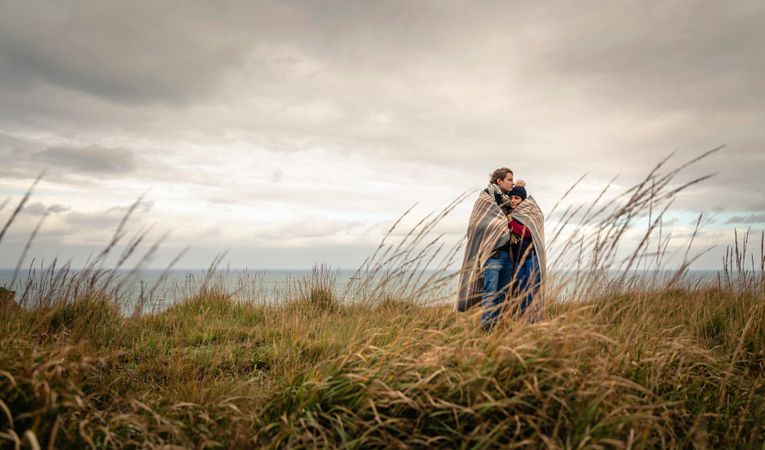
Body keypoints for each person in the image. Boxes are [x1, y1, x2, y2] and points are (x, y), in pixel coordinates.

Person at [455, 167, 515, 331]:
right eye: (509, 179)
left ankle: (499, 327)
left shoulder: (509, 201)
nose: (513, 182)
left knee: (503, 293)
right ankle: (486, 329)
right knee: (490, 293)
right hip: (492, 256)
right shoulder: (485, 199)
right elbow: (475, 225)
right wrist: (503, 224)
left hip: (506, 255)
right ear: (499, 181)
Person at [506, 180, 546, 322]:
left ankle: (533, 322)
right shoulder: (509, 212)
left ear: (523, 199)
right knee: (521, 291)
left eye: (516, 198)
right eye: (511, 197)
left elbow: (527, 232)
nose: (513, 200)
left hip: (531, 258)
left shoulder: (529, 212)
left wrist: (511, 222)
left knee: (531, 291)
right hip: (517, 259)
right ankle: (524, 321)